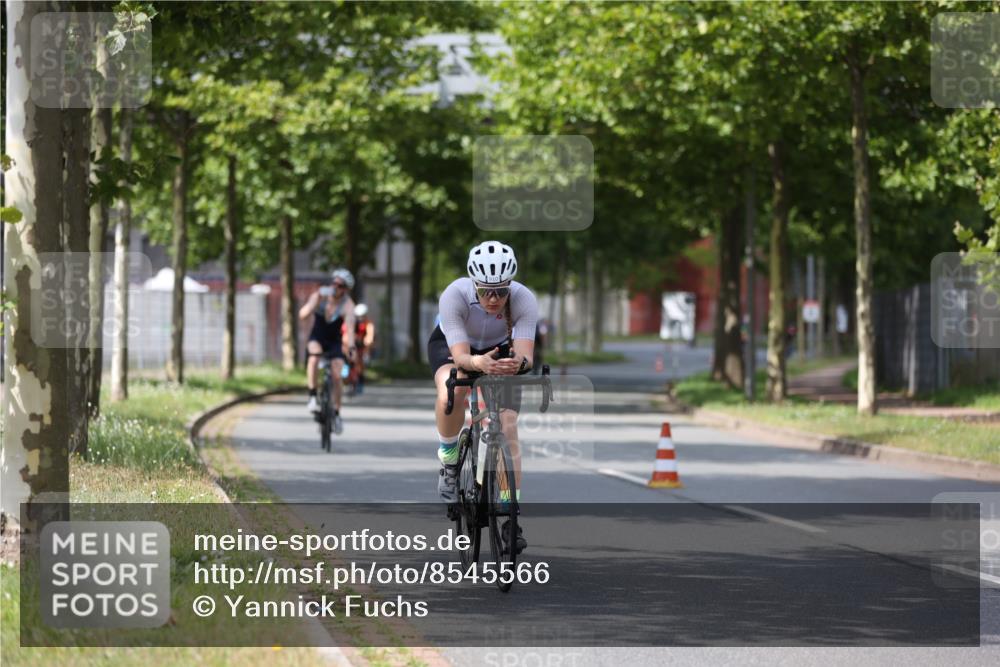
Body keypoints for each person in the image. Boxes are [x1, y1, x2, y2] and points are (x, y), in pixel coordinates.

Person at [427, 241, 538, 554]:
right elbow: (462, 356)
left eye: (501, 291)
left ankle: (509, 513)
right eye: (486, 291)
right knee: (455, 385)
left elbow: (526, 354)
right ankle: (449, 460)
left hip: (500, 350)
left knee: (508, 422)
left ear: (510, 286)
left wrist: (519, 363)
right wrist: (478, 363)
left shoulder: (524, 299)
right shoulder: (454, 295)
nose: (493, 299)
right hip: (453, 348)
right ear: (474, 285)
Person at [300, 268, 356, 434]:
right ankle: (312, 396)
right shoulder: (319, 296)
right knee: (314, 358)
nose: (336, 287)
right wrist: (313, 304)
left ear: (345, 289)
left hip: (334, 341)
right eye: (334, 283)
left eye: (341, 285)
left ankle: (337, 413)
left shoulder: (348, 305)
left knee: (338, 375)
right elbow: (302, 315)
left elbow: (351, 329)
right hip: (317, 336)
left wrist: (351, 347)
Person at [348, 303, 375, 394]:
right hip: (352, 346)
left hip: (362, 347)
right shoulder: (352, 323)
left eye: (362, 316)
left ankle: (360, 382)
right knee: (349, 363)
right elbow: (345, 333)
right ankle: (350, 382)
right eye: (359, 316)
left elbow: (370, 336)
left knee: (360, 364)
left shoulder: (368, 323)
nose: (360, 318)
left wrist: (367, 342)